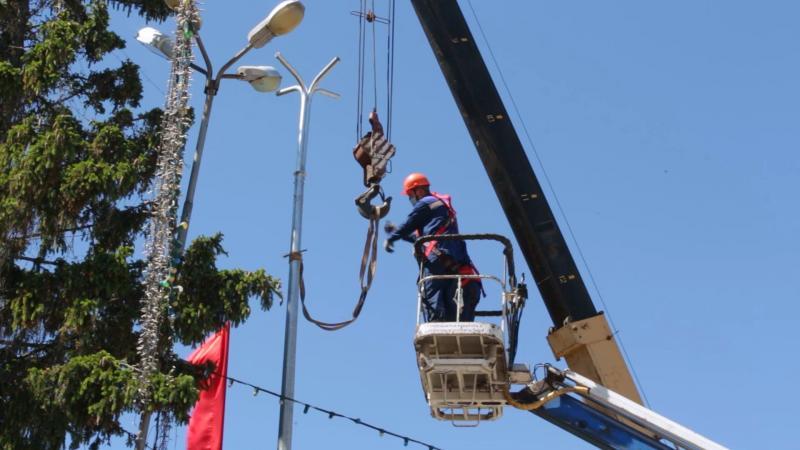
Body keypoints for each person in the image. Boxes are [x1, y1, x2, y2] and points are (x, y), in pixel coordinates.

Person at [383, 172, 482, 322]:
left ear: (420, 191)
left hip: (436, 258)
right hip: (450, 260)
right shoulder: (440, 207)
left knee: (431, 293)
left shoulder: (426, 203)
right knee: (447, 296)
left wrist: (392, 238)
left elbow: (410, 224)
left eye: (411, 194)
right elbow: (421, 239)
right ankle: (449, 323)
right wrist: (397, 231)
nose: (411, 198)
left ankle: (436, 324)